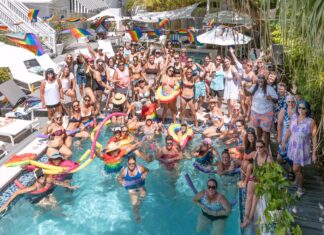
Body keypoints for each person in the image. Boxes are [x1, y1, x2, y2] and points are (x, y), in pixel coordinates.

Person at [282, 100, 317, 197]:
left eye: (303, 108)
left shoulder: (311, 122)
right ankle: (298, 182)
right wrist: (284, 141)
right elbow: (289, 130)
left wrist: (314, 153)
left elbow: (314, 138)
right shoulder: (294, 117)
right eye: (299, 107)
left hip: (302, 149)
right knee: (298, 169)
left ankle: (300, 189)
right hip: (293, 147)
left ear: (307, 110)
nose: (301, 110)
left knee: (296, 169)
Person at [0, 169, 78, 213]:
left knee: (55, 204)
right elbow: (17, 192)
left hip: (47, 192)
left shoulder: (49, 180)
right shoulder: (34, 187)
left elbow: (59, 183)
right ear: (37, 178)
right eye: (39, 176)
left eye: (42, 175)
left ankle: (63, 214)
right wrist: (5, 204)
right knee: (49, 206)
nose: (42, 177)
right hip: (37, 197)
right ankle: (60, 216)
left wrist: (70, 186)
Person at [241, 139, 272, 228]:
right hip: (254, 178)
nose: (258, 149)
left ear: (264, 147)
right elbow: (245, 156)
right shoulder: (255, 154)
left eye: (260, 147)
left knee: (255, 196)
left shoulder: (268, 159)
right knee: (249, 194)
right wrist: (243, 169)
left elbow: (270, 175)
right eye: (257, 147)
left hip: (262, 181)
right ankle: (246, 216)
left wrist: (262, 180)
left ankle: (249, 219)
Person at [245, 75, 278, 148]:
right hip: (255, 111)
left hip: (266, 112)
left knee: (266, 132)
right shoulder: (254, 87)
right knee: (258, 129)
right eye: (259, 78)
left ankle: (266, 147)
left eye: (262, 78)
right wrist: (244, 88)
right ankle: (259, 145)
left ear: (265, 80)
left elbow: (276, 100)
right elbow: (248, 94)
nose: (260, 79)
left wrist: (271, 98)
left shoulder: (269, 88)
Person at [118, 156, 149, 223]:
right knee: (134, 204)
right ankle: (137, 215)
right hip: (131, 189)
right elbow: (119, 178)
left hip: (141, 186)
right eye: (130, 163)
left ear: (135, 163)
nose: (132, 165)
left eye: (133, 163)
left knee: (144, 196)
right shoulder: (124, 171)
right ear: (127, 163)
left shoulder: (140, 168)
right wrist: (121, 183)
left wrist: (144, 175)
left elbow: (147, 170)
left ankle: (139, 203)